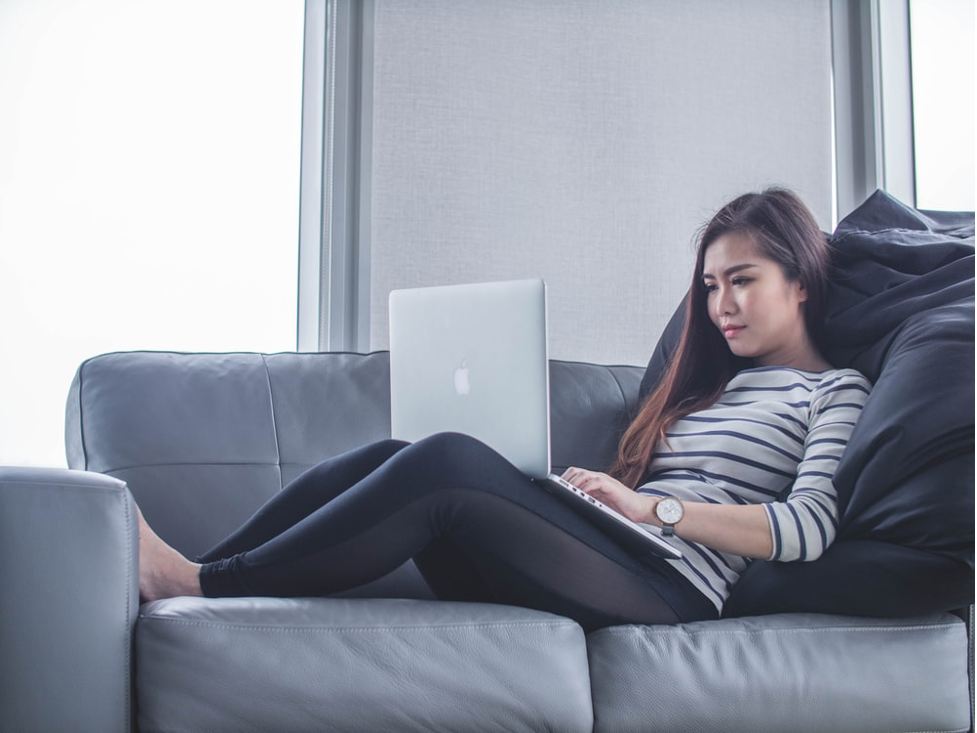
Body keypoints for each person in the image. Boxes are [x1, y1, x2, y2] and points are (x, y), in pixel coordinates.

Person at [138, 187, 872, 631]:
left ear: (800, 280)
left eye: (739, 280)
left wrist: (655, 511)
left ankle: (198, 584)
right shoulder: (709, 387)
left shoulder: (833, 390)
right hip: (608, 555)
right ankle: (202, 572)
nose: (719, 306)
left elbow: (807, 528)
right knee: (401, 454)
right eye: (709, 286)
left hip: (674, 588)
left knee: (447, 460)